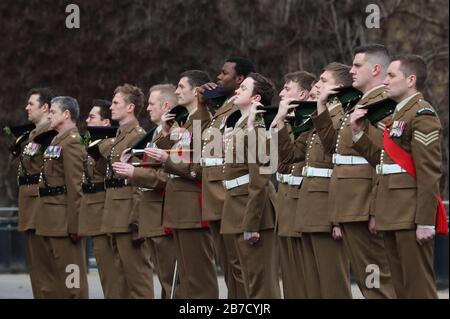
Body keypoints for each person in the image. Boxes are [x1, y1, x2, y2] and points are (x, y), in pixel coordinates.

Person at [350, 55, 442, 298]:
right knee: (401, 289)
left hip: (410, 216)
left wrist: (425, 221)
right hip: (391, 214)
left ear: (411, 80)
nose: (386, 81)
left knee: (418, 288)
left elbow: (429, 173)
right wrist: (359, 135)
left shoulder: (422, 114)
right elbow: (383, 162)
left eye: (391, 75)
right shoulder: (398, 116)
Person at [311, 44, 396, 298]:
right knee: (369, 284)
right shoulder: (359, 103)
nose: (351, 70)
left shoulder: (382, 102)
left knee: (379, 283)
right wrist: (322, 108)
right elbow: (333, 150)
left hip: (363, 205)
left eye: (358, 65)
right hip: (349, 204)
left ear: (376, 69)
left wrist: (375, 210)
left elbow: (381, 159)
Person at [271, 63, 353, 298]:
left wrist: (337, 219)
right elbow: (290, 156)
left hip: (326, 206)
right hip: (308, 206)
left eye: (323, 81)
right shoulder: (318, 117)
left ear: (337, 87)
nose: (317, 85)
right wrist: (279, 121)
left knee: (332, 284)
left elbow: (334, 155)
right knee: (311, 285)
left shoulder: (342, 115)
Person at [146, 71, 219, 298]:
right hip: (178, 208)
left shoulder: (204, 121)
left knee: (199, 279)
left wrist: (166, 160)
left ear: (196, 91)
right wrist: (167, 133)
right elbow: (173, 152)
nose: (176, 91)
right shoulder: (187, 122)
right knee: (185, 280)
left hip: (193, 209)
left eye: (180, 86)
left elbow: (197, 168)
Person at [113, 84, 179, 298]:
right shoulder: (154, 135)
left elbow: (165, 177)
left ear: (166, 105)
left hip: (163, 216)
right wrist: (131, 169)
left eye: (152, 104)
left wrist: (133, 172)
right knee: (164, 281)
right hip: (151, 216)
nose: (148, 108)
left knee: (172, 283)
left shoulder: (175, 133)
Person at [199, 57, 255, 298]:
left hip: (227, 192)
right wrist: (201, 103)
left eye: (224, 73)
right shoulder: (222, 108)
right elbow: (199, 137)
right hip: (214, 193)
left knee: (239, 266)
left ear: (239, 78)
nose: (218, 77)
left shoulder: (239, 109)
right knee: (229, 267)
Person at [221, 72, 280, 298]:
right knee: (247, 283)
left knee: (261, 286)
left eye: (243, 88)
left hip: (253, 211)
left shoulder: (257, 127)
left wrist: (252, 223)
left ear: (256, 99)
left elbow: (260, 179)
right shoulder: (242, 125)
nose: (237, 90)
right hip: (237, 207)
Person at [101, 84, 154, 298]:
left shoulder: (137, 136)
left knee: (137, 280)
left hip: (127, 215)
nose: (111, 107)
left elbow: (140, 182)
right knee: (120, 278)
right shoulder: (119, 136)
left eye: (116, 103)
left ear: (130, 107)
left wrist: (137, 221)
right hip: (115, 212)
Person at [35, 96, 89, 298]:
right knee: (55, 282)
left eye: (53, 112)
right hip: (50, 220)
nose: (49, 115)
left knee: (72, 282)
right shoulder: (57, 140)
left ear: (66, 114)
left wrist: (76, 226)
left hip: (64, 224)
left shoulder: (72, 143)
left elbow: (76, 187)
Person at [78, 99, 127, 298]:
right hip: (95, 212)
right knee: (106, 273)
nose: (87, 121)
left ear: (106, 123)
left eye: (92, 117)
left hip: (108, 212)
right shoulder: (94, 144)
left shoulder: (108, 145)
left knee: (114, 273)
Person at [275, 71, 316, 298]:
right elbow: (277, 163)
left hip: (302, 200)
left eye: (287, 88)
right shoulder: (294, 117)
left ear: (301, 93)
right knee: (290, 279)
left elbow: (291, 157)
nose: (281, 92)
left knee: (305, 278)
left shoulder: (308, 120)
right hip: (287, 199)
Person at [16, 88, 54, 298]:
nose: (26, 108)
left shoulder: (51, 134)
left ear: (45, 107)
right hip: (29, 205)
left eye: (31, 104)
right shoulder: (32, 134)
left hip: (41, 207)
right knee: (36, 272)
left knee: (46, 270)